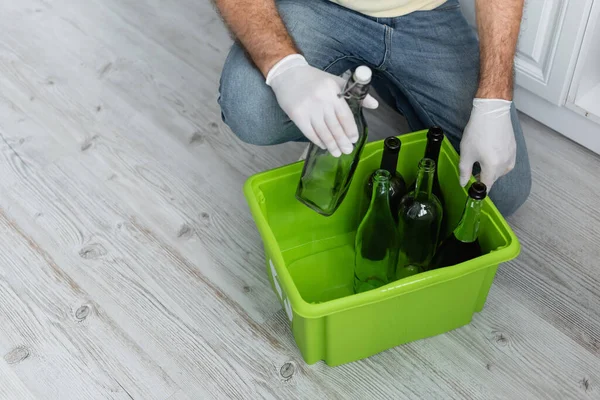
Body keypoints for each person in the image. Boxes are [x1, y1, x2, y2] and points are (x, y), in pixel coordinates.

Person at [215, 0, 531, 216]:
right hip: (317, 7)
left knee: (499, 191)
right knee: (252, 109)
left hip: (426, 12)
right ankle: (342, 98)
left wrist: (495, 100)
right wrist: (285, 68)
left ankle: (387, 87)